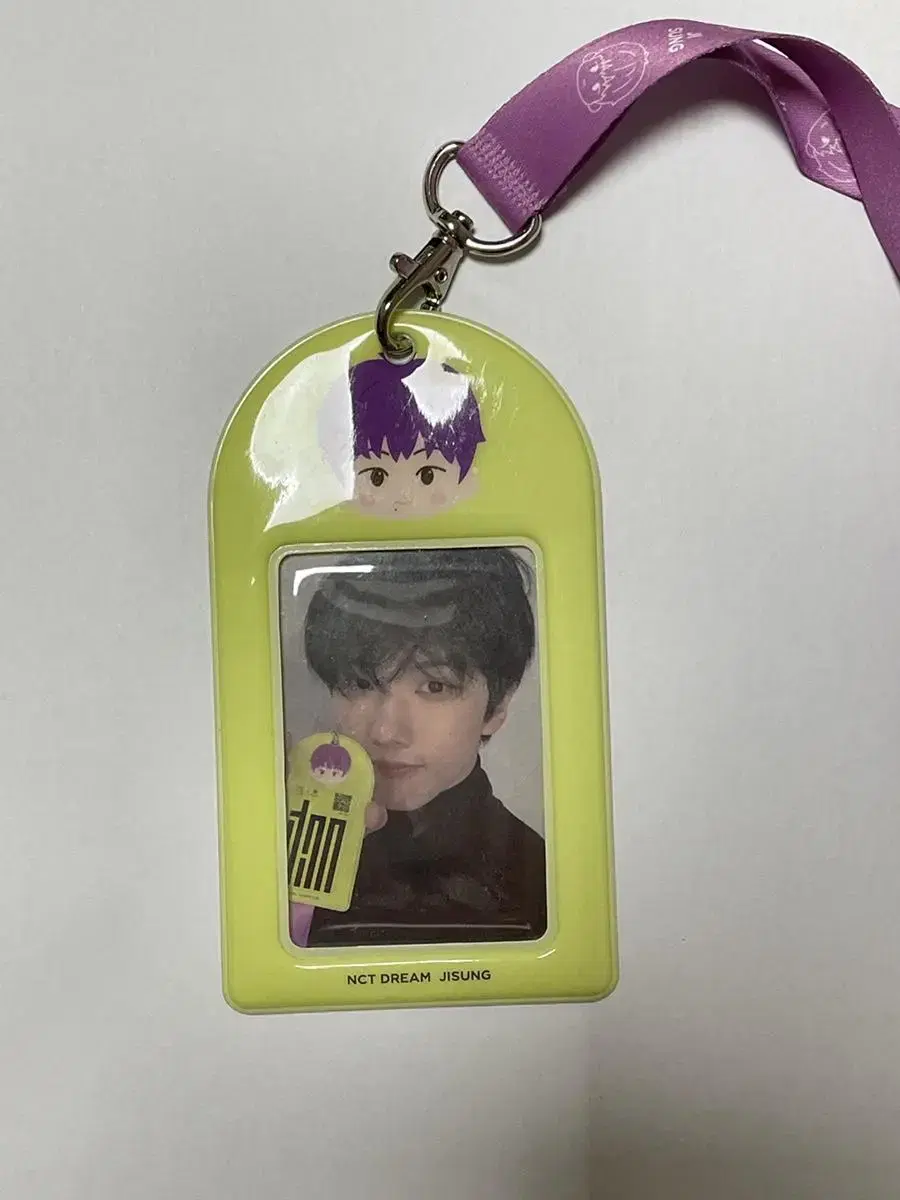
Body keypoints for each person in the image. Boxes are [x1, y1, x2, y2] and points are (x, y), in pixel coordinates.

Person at [297, 546, 546, 946]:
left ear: (497, 706)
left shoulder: (545, 884)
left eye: (435, 686)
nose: (385, 731)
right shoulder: (283, 854)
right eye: (361, 683)